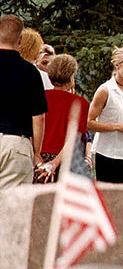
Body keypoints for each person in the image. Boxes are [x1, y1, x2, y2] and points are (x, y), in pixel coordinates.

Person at [0, 15, 48, 189]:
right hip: (15, 143)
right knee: (12, 206)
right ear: (20, 40)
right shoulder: (30, 72)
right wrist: (36, 152)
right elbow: (39, 117)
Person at [87, 47, 123, 184]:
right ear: (117, 65)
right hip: (107, 154)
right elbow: (88, 122)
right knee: (109, 200)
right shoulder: (105, 90)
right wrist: (118, 127)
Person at [34, 54, 91, 183]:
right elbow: (73, 140)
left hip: (38, 158)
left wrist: (38, 160)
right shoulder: (80, 103)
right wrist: (54, 163)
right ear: (71, 77)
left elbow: (31, 131)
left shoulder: (39, 97)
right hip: (65, 160)